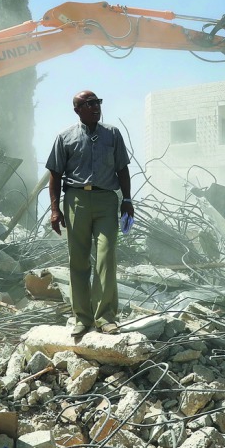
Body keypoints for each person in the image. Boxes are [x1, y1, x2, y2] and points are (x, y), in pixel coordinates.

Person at [45, 90, 134, 337]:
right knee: (79, 260)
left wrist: (126, 200)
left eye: (98, 102)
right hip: (76, 201)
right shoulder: (65, 137)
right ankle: (82, 318)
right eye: (89, 103)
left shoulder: (112, 134)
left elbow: (123, 169)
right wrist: (55, 209)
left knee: (106, 257)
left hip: (106, 200)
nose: (96, 107)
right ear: (77, 109)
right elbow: (55, 175)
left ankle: (105, 317)